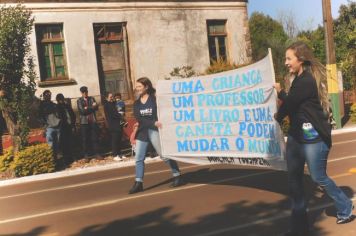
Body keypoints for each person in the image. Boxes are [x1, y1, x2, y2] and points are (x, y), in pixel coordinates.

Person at [274, 41, 354, 236]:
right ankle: (299, 228)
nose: (286, 62)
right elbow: (292, 103)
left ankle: (345, 207)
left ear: (300, 60)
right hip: (295, 137)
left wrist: (277, 106)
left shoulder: (306, 81)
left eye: (288, 58)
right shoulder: (297, 80)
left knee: (318, 176)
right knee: (294, 181)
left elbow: (290, 104)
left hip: (314, 138)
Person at [129, 77, 183, 194]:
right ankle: (138, 182)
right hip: (142, 132)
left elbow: (162, 113)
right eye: (136, 86)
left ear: (146, 87)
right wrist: (152, 122)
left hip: (155, 131)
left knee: (163, 155)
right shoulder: (137, 104)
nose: (137, 89)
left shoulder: (154, 100)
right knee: (138, 158)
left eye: (139, 86)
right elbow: (139, 119)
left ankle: (177, 174)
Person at [77, 86, 100, 158]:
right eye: (83, 92)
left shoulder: (91, 98)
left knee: (95, 137)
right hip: (84, 122)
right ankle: (86, 155)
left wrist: (87, 107)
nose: (85, 93)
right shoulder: (79, 101)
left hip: (92, 120)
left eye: (86, 92)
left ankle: (97, 153)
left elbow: (96, 107)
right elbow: (82, 111)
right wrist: (91, 107)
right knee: (85, 139)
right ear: (81, 93)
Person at [103, 92, 126, 161]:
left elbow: (119, 107)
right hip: (113, 124)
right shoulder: (107, 105)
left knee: (119, 139)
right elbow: (114, 114)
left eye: (112, 96)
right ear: (106, 98)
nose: (112, 98)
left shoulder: (113, 103)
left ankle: (119, 153)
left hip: (118, 123)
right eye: (110, 97)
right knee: (115, 140)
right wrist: (121, 116)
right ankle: (115, 155)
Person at [39, 90, 61, 157]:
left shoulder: (54, 105)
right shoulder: (42, 106)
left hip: (57, 126)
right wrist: (44, 126)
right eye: (47, 95)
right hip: (49, 127)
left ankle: (58, 160)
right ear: (44, 96)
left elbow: (58, 114)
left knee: (58, 144)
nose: (49, 96)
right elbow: (40, 117)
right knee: (50, 145)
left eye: (50, 95)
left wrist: (59, 121)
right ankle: (52, 159)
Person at [56, 93, 76, 165]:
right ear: (58, 100)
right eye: (60, 99)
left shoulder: (67, 106)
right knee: (64, 144)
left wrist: (73, 124)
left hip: (70, 126)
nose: (62, 100)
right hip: (63, 127)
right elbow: (60, 118)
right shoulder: (57, 107)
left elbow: (73, 115)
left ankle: (71, 157)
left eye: (62, 99)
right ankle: (66, 159)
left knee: (70, 142)